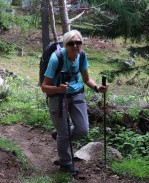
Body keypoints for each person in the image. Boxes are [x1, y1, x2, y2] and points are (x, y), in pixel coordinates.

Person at [41, 30, 108, 174]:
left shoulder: (82, 56)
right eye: (71, 43)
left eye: (78, 42)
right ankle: (66, 164)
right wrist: (59, 89)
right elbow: (44, 87)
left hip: (76, 94)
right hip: (57, 97)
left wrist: (97, 87)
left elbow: (86, 79)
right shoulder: (56, 59)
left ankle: (59, 135)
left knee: (83, 129)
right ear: (65, 45)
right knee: (64, 134)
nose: (75, 46)